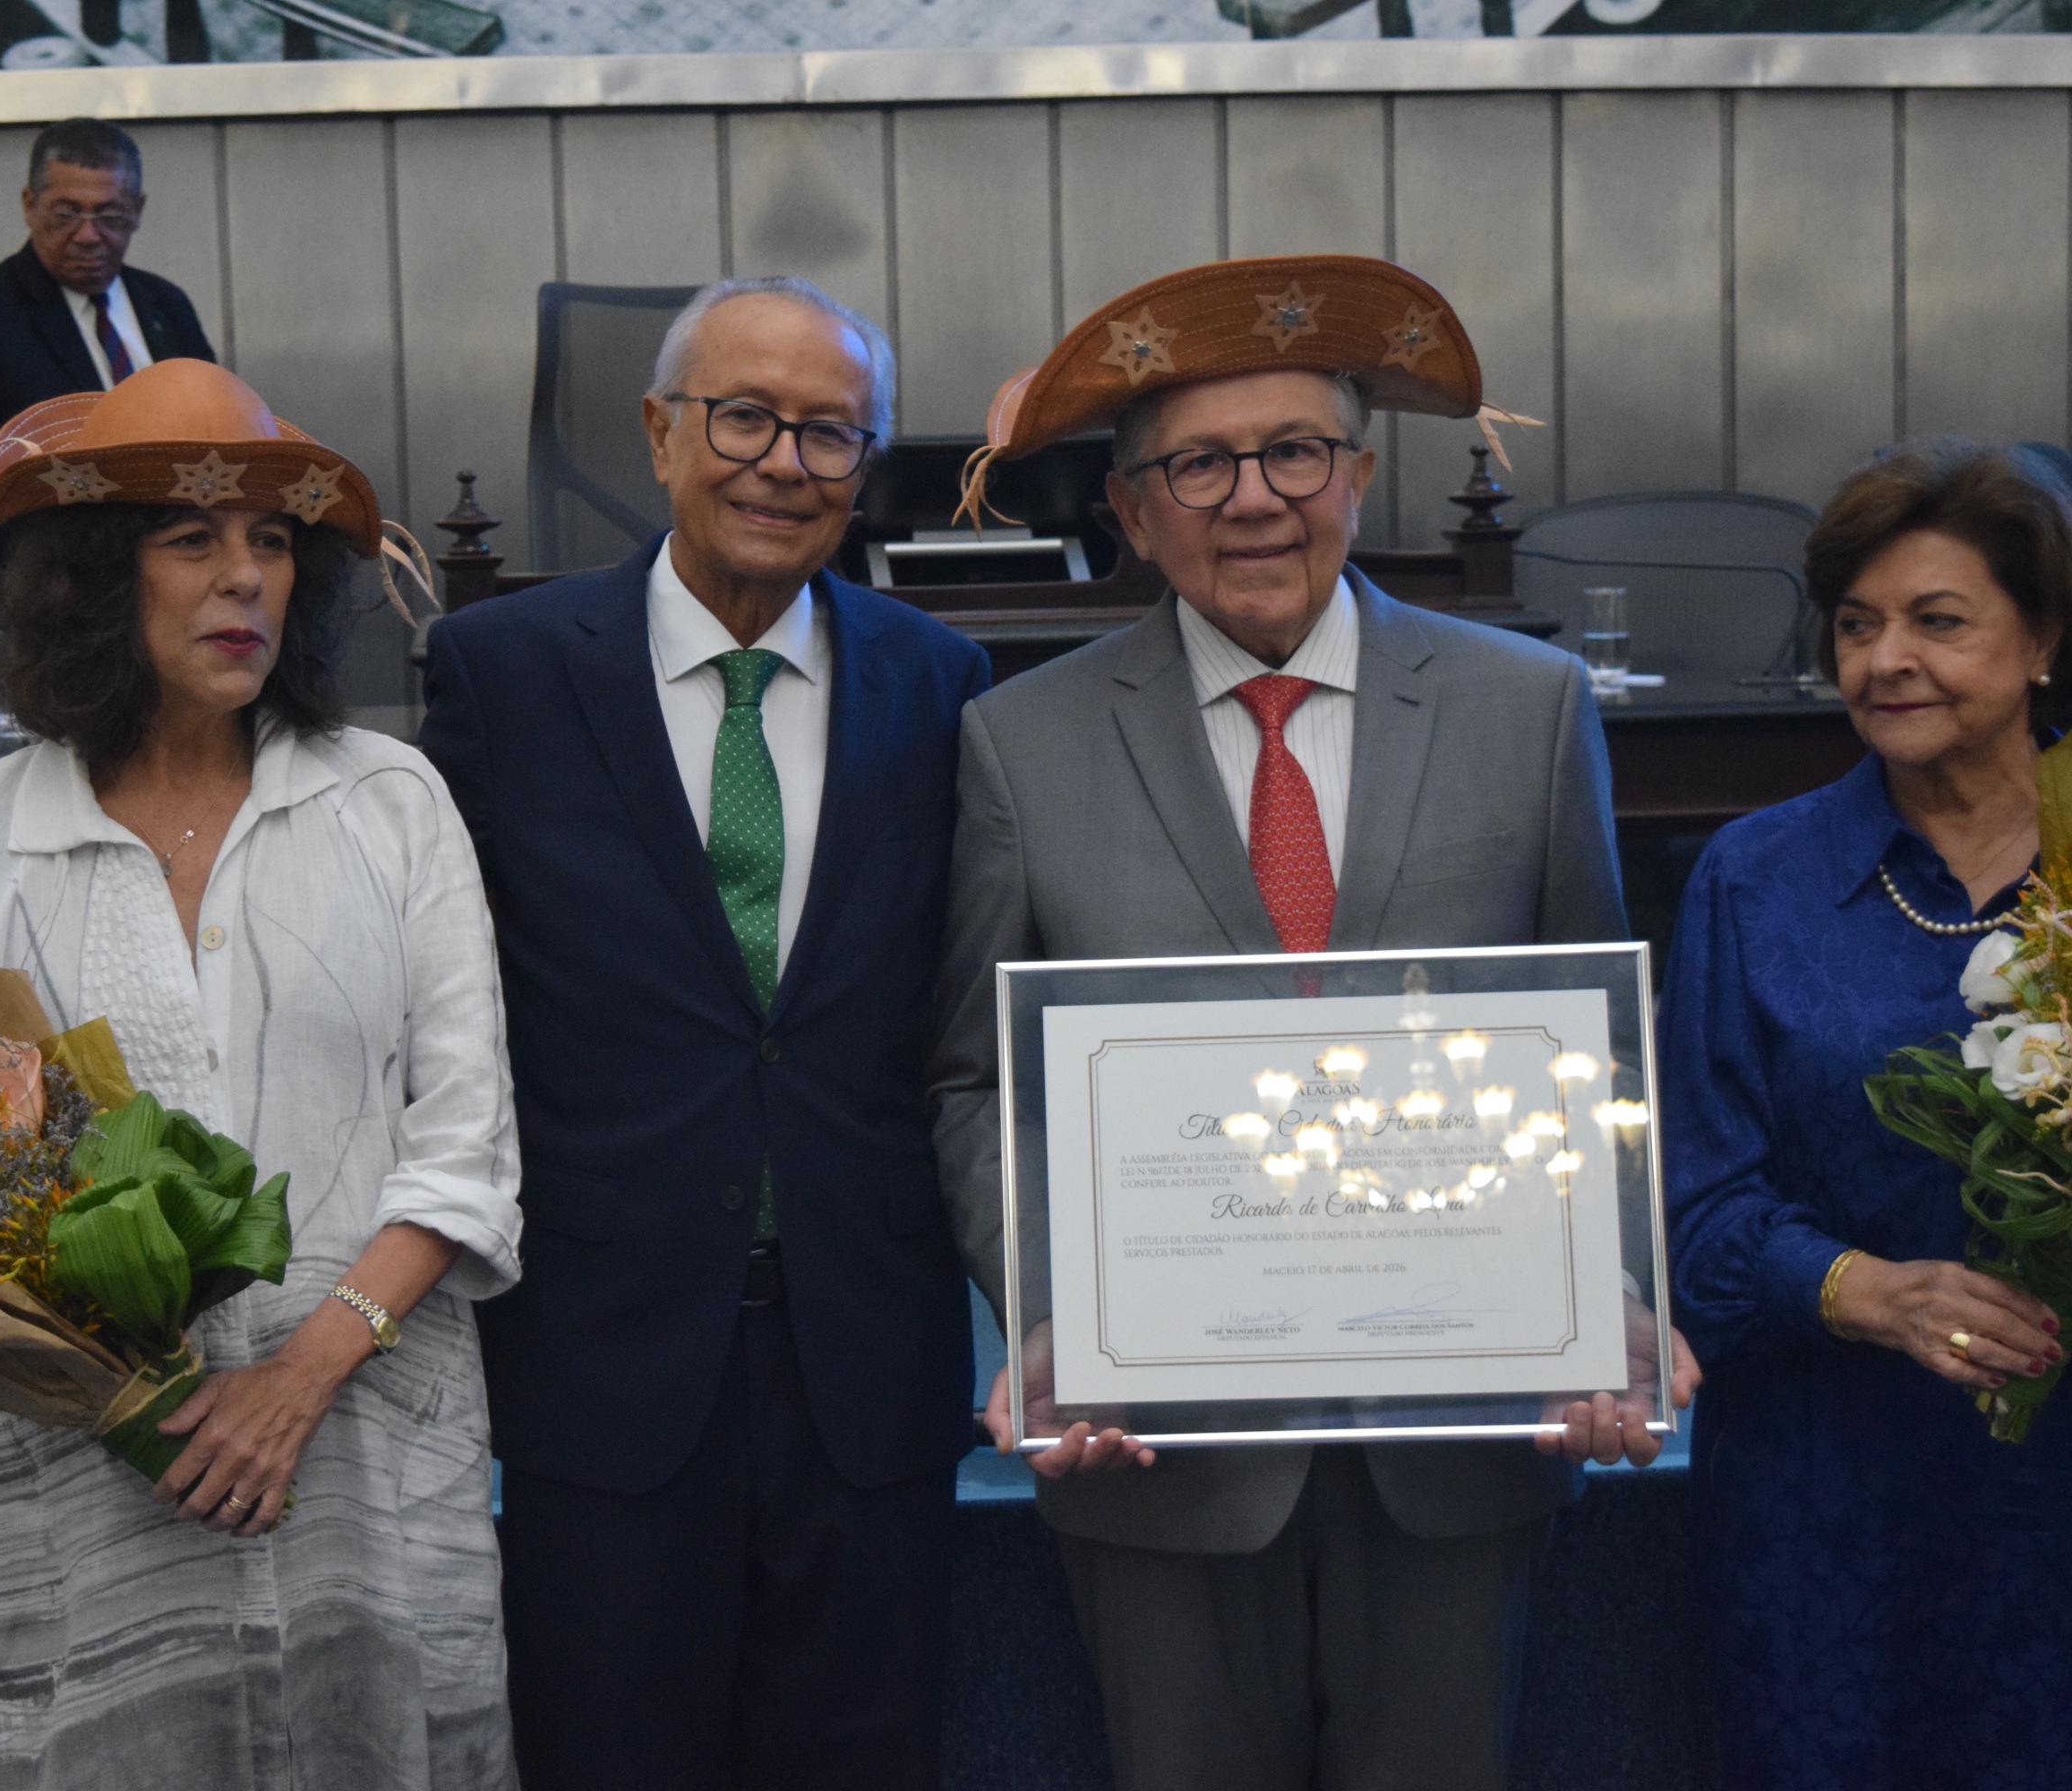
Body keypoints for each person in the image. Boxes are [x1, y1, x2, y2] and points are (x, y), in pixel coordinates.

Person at [929, 255, 1699, 1791]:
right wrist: (1056, 1309)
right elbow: (975, 1079)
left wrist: (1603, 1283)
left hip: (1463, 1431)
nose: (1253, 501)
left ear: (1356, 474)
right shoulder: (1019, 742)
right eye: (1197, 466)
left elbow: (1598, 1042)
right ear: (1131, 510)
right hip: (1163, 1448)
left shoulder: (1529, 707)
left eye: (1293, 452)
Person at [0, 357, 521, 1787]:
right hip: (79, 1484)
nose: (244, 577)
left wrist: (300, 1375)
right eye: (191, 538)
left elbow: (467, 1147)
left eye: (272, 541)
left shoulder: (391, 802)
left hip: (358, 1458)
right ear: (90, 580)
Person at [417, 277, 989, 1789]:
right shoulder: (503, 671)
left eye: (829, 432)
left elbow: (964, 1012)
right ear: (660, 431)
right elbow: (444, 1007)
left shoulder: (941, 684)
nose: (782, 463)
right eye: (743, 418)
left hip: (866, 1359)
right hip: (603, 1361)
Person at [1664, 440, 2072, 1791]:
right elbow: (1695, 1213)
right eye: (1856, 625)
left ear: (2042, 639)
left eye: (1937, 621)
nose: (1887, 659)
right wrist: (1866, 1292)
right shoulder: (1757, 877)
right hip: (1830, 1495)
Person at [0, 116, 218, 744]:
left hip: (172, 619)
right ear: (29, 205)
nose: (88, 235)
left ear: (138, 211)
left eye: (109, 216)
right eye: (66, 214)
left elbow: (216, 426)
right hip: (37, 622)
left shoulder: (164, 306)